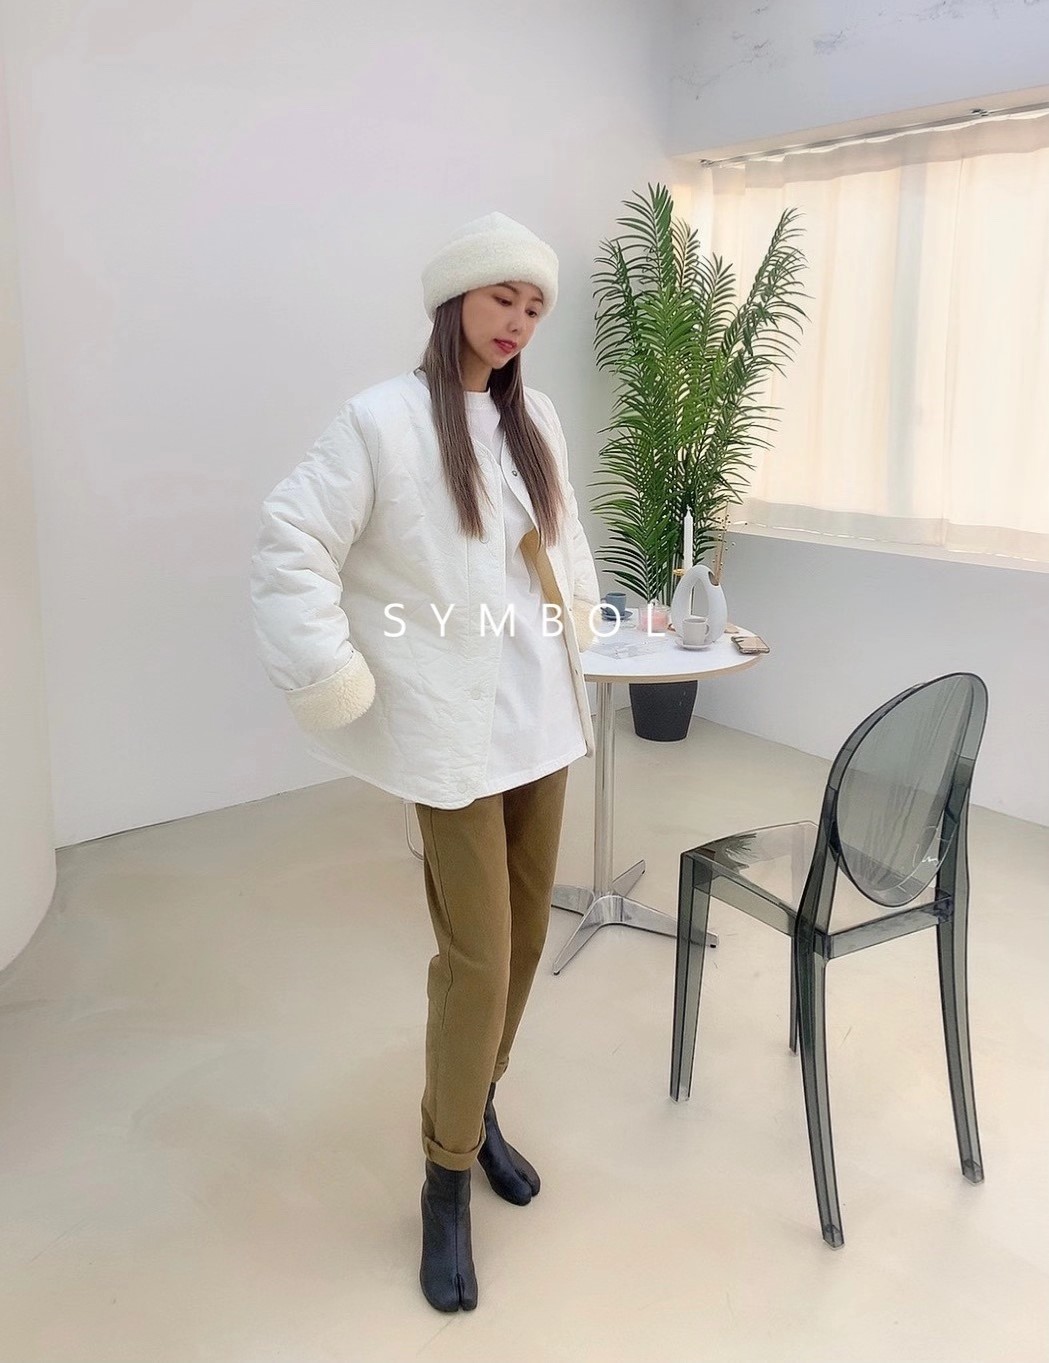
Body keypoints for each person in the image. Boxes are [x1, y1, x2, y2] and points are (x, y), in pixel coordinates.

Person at [249, 211, 601, 1313]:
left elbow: (565, 543)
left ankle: (477, 1104)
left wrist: (587, 627)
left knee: (528, 938)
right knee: (478, 959)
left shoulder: (535, 417)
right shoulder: (381, 420)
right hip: (453, 737)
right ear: (455, 299)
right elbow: (290, 540)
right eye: (502, 297)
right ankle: (445, 1178)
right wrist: (333, 668)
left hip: (540, 719)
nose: (518, 320)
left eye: (534, 306)